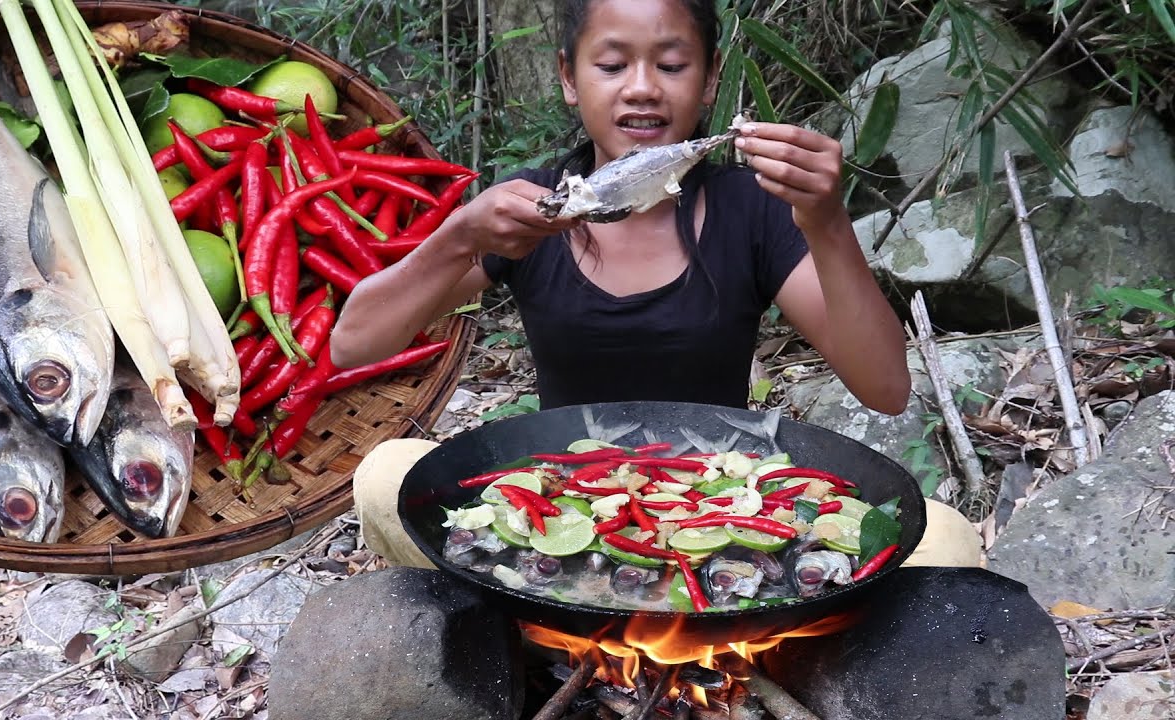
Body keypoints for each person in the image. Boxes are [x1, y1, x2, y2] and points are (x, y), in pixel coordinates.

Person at [329, 0, 985, 570]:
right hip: (556, 512)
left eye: (671, 65)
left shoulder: (749, 209)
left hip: (728, 513)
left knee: (944, 540)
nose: (642, 88)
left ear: (710, 81)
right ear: (568, 77)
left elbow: (886, 388)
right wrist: (459, 236)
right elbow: (352, 343)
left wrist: (828, 220)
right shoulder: (531, 212)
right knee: (386, 474)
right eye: (612, 65)